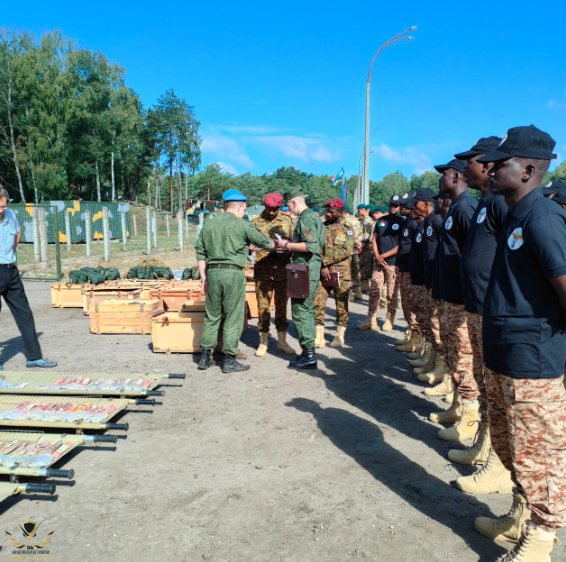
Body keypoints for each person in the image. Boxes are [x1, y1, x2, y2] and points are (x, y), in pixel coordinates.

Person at [473, 126, 566, 561]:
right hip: (506, 355)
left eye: (501, 163)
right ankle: (520, 516)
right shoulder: (516, 214)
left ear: (527, 170)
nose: (490, 169)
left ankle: (541, 540)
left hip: (532, 361)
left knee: (539, 455)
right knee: (513, 448)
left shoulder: (542, 218)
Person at [451, 136, 513, 496]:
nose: (465, 168)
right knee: (485, 384)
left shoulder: (501, 203)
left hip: (492, 310)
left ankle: (497, 465)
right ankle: (484, 445)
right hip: (477, 307)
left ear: (487, 163)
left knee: (497, 392)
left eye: (470, 161)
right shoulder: (485, 203)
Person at [196, 189, 275, 373]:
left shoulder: (209, 225)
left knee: (212, 316)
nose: (244, 212)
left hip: (212, 273)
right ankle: (229, 360)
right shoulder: (242, 225)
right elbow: (267, 243)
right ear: (240, 207)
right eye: (244, 209)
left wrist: (203, 279)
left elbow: (200, 253)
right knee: (233, 316)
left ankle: (205, 358)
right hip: (233, 273)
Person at [433, 159, 480, 444]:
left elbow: (474, 254)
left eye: (444, 174)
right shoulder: (456, 207)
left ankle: (470, 417)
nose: (441, 179)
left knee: (463, 357)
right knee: (452, 354)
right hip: (449, 295)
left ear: (457, 175)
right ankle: (458, 404)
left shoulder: (466, 208)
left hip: (461, 300)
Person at [0, 188, 57, 371]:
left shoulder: (10, 215)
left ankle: (34, 357)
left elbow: (17, 231)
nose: (1, 210)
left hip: (11, 270)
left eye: (3, 206)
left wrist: (12, 253)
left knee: (24, 313)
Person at [273, 188, 325, 369]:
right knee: (306, 310)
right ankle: (307, 352)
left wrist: (286, 244)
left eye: (288, 206)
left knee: (301, 311)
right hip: (308, 269)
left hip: (305, 270)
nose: (289, 210)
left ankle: (309, 355)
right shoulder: (313, 217)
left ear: (294, 202)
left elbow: (311, 245)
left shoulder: (306, 219)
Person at [251, 193, 296, 357]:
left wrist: (288, 248)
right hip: (263, 270)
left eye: (275, 209)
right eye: (269, 209)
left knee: (282, 306)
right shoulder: (255, 222)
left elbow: (295, 242)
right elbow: (248, 242)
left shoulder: (287, 221)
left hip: (282, 270)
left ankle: (282, 342)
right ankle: (263, 342)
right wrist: (251, 247)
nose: (271, 212)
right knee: (263, 306)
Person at [359, 195, 403, 331]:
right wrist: (378, 256)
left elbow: (402, 244)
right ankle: (371, 319)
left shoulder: (403, 222)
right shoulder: (381, 221)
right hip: (378, 263)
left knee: (391, 293)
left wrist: (384, 256)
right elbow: (375, 238)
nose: (392, 207)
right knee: (374, 291)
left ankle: (389, 319)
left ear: (400, 207)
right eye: (391, 205)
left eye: (395, 205)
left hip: (393, 263)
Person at [314, 198, 354, 348]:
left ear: (341, 212)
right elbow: (316, 247)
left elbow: (346, 250)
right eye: (327, 211)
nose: (328, 214)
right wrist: (322, 265)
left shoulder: (347, 229)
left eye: (331, 212)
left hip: (341, 273)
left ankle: (339, 335)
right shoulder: (322, 227)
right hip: (322, 272)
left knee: (341, 305)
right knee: (318, 303)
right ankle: (319, 335)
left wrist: (325, 262)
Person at [394, 191, 419, 346]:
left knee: (412, 303)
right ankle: (411, 333)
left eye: (405, 206)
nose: (402, 208)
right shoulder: (408, 221)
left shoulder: (415, 223)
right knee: (406, 303)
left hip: (411, 269)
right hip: (404, 267)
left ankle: (416, 339)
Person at [342, 205, 363, 300]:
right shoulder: (356, 221)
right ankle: (358, 292)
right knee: (355, 271)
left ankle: (349, 293)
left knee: (347, 272)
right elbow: (361, 234)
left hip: (346, 250)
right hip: (355, 250)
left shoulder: (344, 222)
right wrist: (358, 243)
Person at [357, 204, 375, 294]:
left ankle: (365, 287)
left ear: (363, 210)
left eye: (359, 210)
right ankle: (366, 287)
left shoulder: (367, 220)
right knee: (365, 266)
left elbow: (366, 235)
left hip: (367, 246)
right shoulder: (364, 219)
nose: (358, 212)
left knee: (365, 266)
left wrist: (360, 241)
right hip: (366, 246)